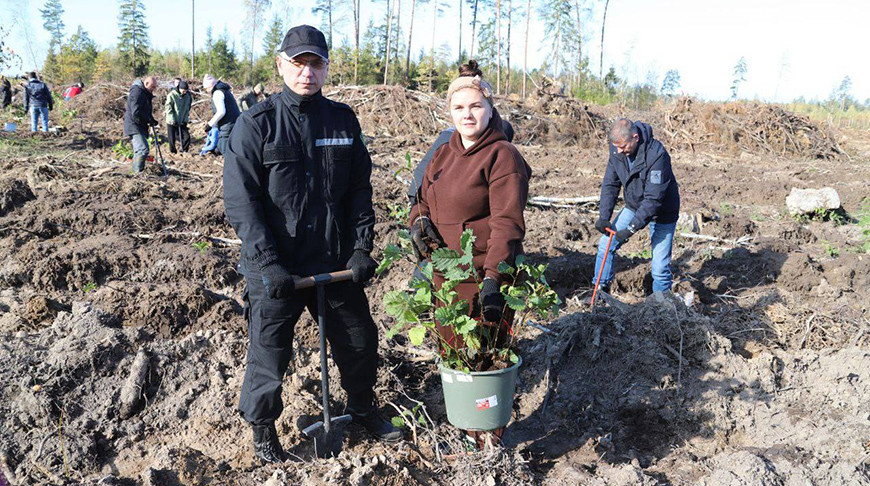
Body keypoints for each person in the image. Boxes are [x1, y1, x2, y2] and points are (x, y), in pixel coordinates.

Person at [223, 24, 402, 464]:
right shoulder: (255, 125)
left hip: (334, 260)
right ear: (282, 65)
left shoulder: (342, 120)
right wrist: (266, 263)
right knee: (269, 353)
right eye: (298, 62)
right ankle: (264, 432)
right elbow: (241, 202)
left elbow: (360, 188)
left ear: (326, 67)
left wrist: (361, 248)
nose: (307, 71)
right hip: (277, 269)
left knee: (359, 341)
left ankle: (361, 407)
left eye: (316, 62)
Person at [407, 60, 531, 448]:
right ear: (449, 112)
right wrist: (418, 221)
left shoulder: (502, 156)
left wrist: (494, 279)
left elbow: (507, 223)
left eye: (475, 106)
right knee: (455, 360)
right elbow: (421, 197)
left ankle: (490, 442)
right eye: (459, 108)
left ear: (490, 109)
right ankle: (465, 431)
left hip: (485, 280)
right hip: (448, 280)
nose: (467, 115)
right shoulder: (443, 153)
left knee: (486, 364)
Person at [593, 118, 680, 294]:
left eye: (623, 146)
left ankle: (661, 308)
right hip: (634, 205)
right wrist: (604, 216)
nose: (618, 150)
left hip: (662, 212)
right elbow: (610, 184)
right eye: (616, 146)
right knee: (605, 245)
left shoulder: (657, 155)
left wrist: (632, 228)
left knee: (659, 268)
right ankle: (600, 290)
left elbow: (653, 200)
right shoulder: (617, 150)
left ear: (635, 137)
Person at [123, 76, 159, 173]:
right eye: (152, 87)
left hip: (140, 126)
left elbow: (144, 110)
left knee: (140, 149)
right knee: (142, 149)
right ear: (146, 84)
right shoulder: (137, 92)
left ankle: (136, 172)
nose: (153, 89)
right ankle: (138, 174)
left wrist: (151, 119)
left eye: (155, 87)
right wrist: (148, 119)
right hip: (134, 125)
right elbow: (136, 112)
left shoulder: (145, 93)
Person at [201, 74, 240, 155]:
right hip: (234, 122)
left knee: (225, 148)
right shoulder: (225, 90)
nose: (207, 91)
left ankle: (232, 166)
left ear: (209, 86)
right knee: (226, 147)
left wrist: (209, 125)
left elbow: (221, 112)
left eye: (206, 89)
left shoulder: (217, 93)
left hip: (228, 125)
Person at [164, 80, 192, 153]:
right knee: (172, 138)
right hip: (171, 120)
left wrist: (185, 120)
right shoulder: (172, 95)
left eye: (186, 91)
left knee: (186, 137)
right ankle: (173, 152)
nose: (184, 92)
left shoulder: (187, 96)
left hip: (182, 120)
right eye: (183, 91)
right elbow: (168, 108)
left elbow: (187, 109)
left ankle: (184, 150)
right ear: (179, 88)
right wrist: (172, 119)